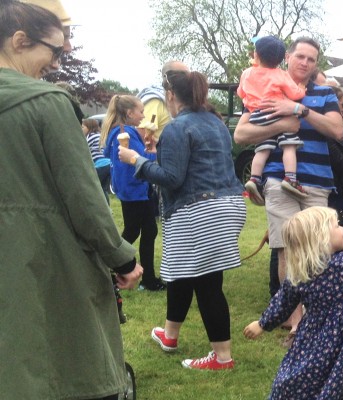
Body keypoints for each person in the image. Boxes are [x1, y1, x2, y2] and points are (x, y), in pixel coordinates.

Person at [0, 2, 143, 398]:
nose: (57, 64)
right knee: (59, 367)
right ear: (19, 40)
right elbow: (84, 200)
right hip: (44, 265)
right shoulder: (46, 102)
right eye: (54, 51)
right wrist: (122, 258)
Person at [118, 69, 247, 370]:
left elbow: (173, 179)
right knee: (180, 271)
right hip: (227, 204)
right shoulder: (215, 121)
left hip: (199, 211)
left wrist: (135, 160)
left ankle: (222, 357)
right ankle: (170, 335)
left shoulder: (178, 127)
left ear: (171, 95)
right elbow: (190, 168)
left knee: (206, 282)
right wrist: (154, 157)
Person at [233, 36, 343, 334]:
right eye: (301, 57)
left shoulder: (324, 94)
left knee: (319, 250)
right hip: (278, 180)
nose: (305, 63)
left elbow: (336, 130)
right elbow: (241, 135)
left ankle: (315, 315)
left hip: (317, 183)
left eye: (311, 59)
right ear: (288, 58)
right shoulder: (266, 88)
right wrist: (282, 122)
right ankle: (296, 322)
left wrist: (299, 110)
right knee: (285, 250)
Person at [244, 197, 343, 399]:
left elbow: (282, 302)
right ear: (321, 237)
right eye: (337, 225)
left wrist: (262, 324)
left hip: (313, 341)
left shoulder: (303, 271)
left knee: (303, 378)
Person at [102, 94, 165, 291]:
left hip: (127, 189)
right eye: (140, 111)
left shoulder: (116, 132)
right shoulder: (126, 133)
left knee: (143, 230)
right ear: (129, 113)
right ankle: (113, 264)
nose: (143, 115)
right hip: (135, 190)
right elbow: (139, 159)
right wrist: (153, 150)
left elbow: (109, 155)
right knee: (136, 231)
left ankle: (141, 276)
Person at [239, 36, 308, 205]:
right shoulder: (280, 74)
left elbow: (241, 93)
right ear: (282, 59)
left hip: (256, 115)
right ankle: (290, 178)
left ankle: (254, 179)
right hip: (277, 112)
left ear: (256, 54)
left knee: (262, 150)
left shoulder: (246, 73)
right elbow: (294, 95)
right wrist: (301, 89)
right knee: (289, 145)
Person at [136, 60, 190, 152]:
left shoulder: (183, 101)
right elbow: (142, 130)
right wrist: (161, 151)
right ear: (167, 76)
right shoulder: (155, 101)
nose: (188, 79)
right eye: (183, 75)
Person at [83, 117, 111, 203]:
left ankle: (103, 208)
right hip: (108, 164)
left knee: (97, 189)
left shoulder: (90, 137)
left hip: (100, 165)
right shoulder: (99, 135)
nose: (81, 129)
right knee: (103, 189)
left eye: (83, 127)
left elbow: (84, 151)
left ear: (90, 127)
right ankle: (107, 208)